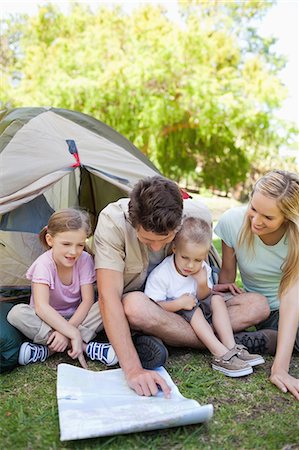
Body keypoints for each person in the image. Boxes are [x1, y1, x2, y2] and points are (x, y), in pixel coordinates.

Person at [94, 175, 266, 397]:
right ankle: (226, 344)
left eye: (165, 239)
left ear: (179, 223)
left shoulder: (196, 217)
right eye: (147, 241)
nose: (156, 247)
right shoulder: (112, 222)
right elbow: (109, 297)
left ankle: (184, 340)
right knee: (133, 306)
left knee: (258, 305)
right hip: (151, 305)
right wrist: (134, 370)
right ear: (133, 222)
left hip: (188, 305)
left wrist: (207, 285)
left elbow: (201, 271)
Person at [214, 170, 299, 400]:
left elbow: (292, 298)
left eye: (268, 218)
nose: (256, 221)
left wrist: (280, 368)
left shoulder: (296, 236)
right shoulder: (232, 222)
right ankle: (264, 338)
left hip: (290, 309)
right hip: (259, 308)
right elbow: (227, 276)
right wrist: (223, 306)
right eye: (253, 209)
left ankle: (267, 340)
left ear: (287, 217)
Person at [144, 216, 264, 377]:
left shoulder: (203, 268)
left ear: (204, 255)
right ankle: (220, 354)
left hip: (198, 307)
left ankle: (231, 346)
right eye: (185, 257)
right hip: (176, 313)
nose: (191, 265)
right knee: (194, 310)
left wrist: (201, 284)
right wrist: (179, 303)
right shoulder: (162, 274)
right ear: (174, 249)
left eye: (198, 260)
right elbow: (153, 306)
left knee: (216, 299)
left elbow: (205, 296)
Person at [7, 208, 118, 368]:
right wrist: (71, 333)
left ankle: (50, 349)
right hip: (47, 321)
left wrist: (68, 329)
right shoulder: (43, 265)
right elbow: (41, 307)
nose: (73, 252)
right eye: (66, 244)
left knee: (106, 304)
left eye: (80, 245)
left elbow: (87, 301)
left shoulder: (85, 260)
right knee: (16, 314)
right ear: (50, 240)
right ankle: (85, 347)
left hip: (77, 318)